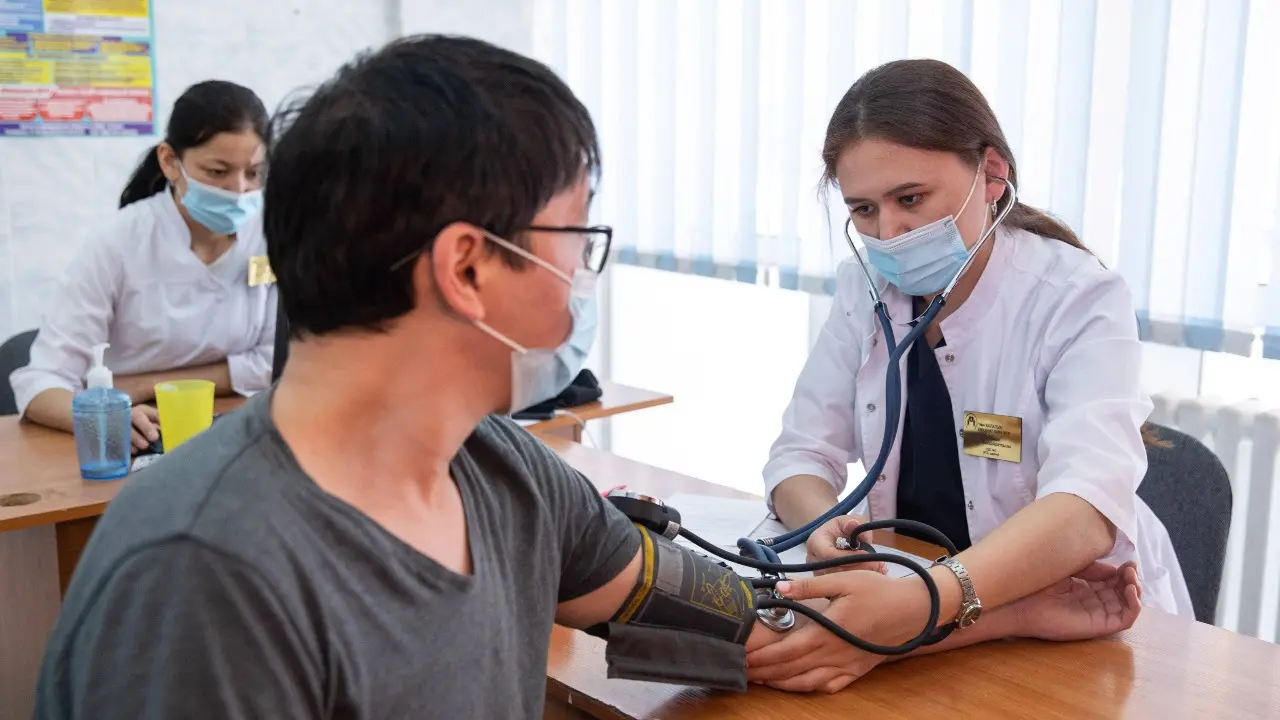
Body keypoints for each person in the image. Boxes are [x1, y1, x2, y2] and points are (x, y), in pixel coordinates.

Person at [34, 39, 1143, 717]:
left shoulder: (502, 477)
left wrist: (981, 615)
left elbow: (745, 619)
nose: (583, 280)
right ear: (470, 267)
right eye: (574, 236)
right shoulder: (203, 578)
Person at [752, 57, 1192, 688]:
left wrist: (922, 603)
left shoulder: (1077, 297)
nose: (890, 233)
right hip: (927, 601)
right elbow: (799, 454)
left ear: (991, 174)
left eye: (910, 199)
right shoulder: (863, 289)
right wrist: (823, 526)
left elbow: (1086, 506)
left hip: (1083, 621)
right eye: (864, 210)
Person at [9, 80, 276, 451]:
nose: (239, 190)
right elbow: (42, 382)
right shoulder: (118, 244)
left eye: (254, 173)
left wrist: (145, 385)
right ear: (170, 161)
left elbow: (279, 360)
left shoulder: (270, 236)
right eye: (217, 172)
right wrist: (105, 417)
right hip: (136, 438)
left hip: (235, 429)